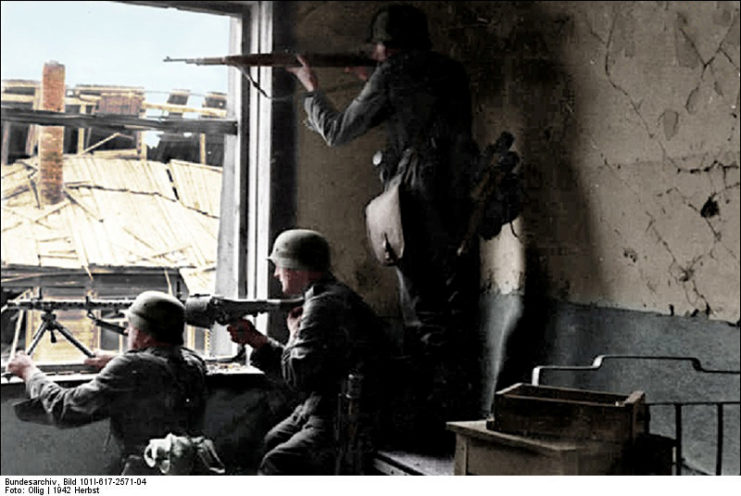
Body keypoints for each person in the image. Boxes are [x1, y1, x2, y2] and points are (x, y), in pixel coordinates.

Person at [286, 4, 483, 449]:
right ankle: (457, 422)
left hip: (415, 203)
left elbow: (338, 132)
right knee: (450, 316)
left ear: (384, 45)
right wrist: (373, 83)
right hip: (457, 201)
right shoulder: (449, 70)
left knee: (423, 318)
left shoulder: (391, 74)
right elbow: (418, 109)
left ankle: (435, 428)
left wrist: (312, 90)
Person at [227, 228, 391, 474]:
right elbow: (304, 367)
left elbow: (299, 376)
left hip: (342, 417)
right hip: (321, 406)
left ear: (295, 268)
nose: (276, 273)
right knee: (270, 440)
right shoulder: (324, 297)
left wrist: (294, 333)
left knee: (276, 462)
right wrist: (255, 340)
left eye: (279, 266)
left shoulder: (323, 304)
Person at [6, 290, 208, 475]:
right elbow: (158, 367)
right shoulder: (193, 361)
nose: (127, 332)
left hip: (147, 470)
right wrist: (116, 362)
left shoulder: (132, 367)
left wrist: (29, 371)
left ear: (145, 335)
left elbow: (64, 409)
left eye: (131, 326)